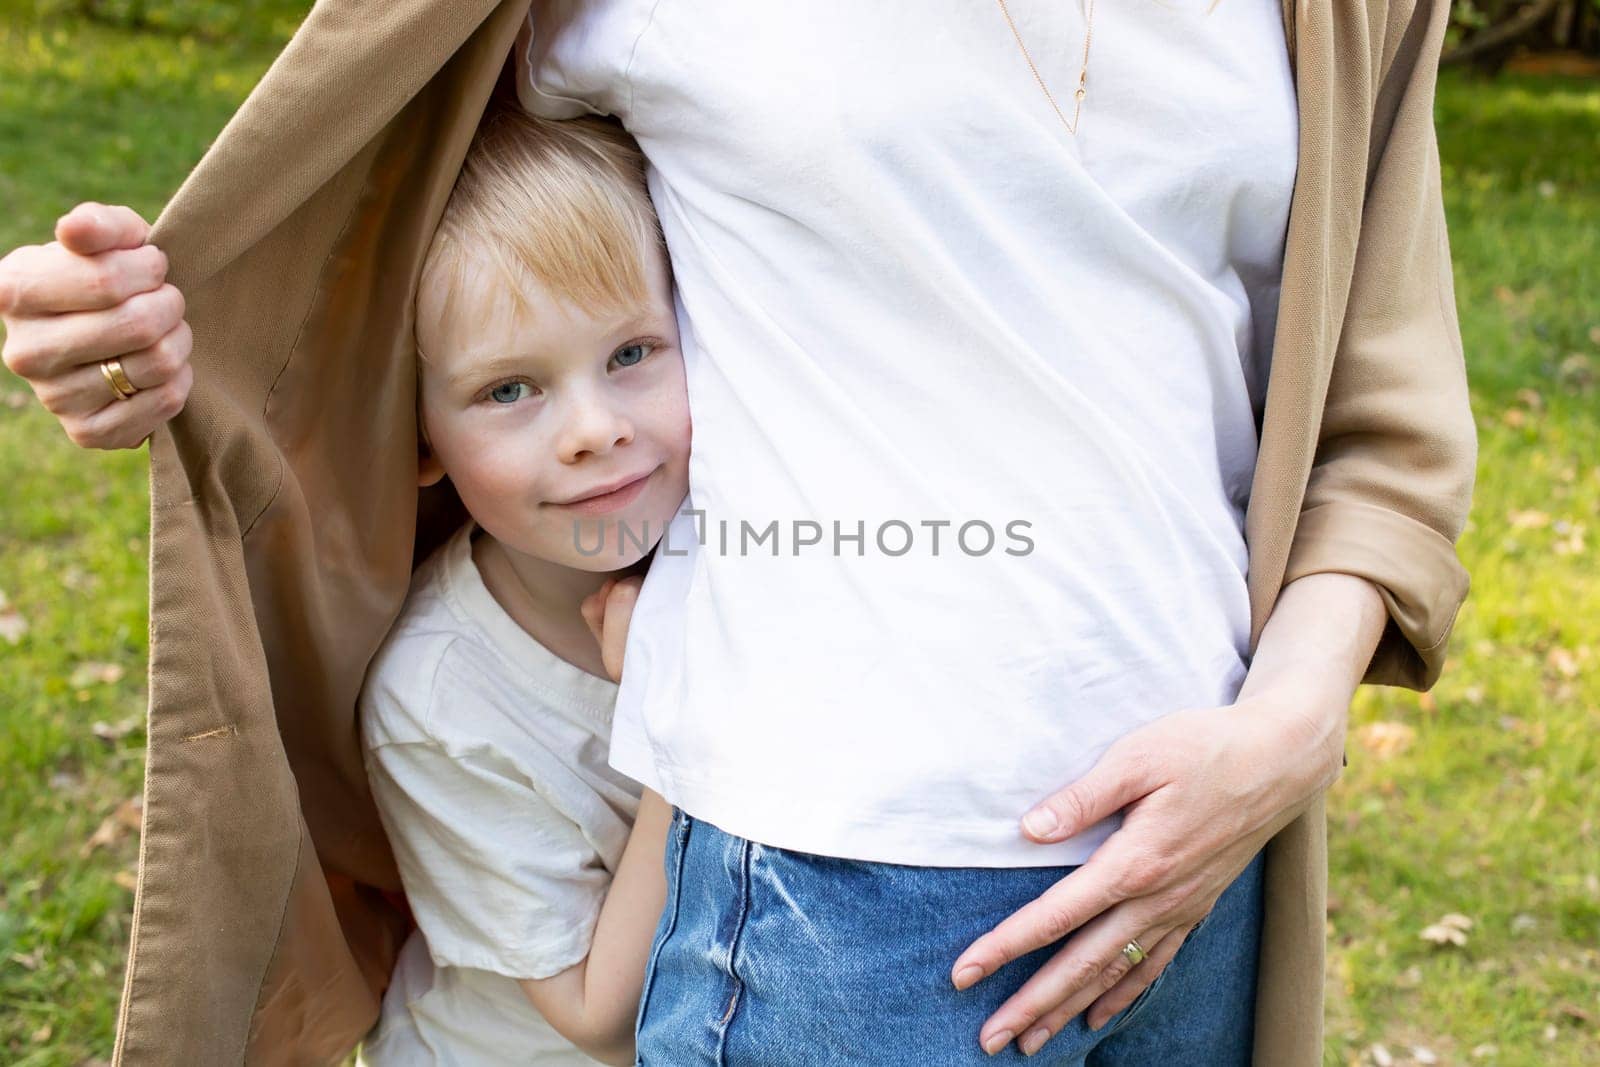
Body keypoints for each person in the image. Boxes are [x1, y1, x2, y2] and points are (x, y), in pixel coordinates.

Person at [0, 0, 1476, 1062]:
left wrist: (1288, 726)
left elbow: (1380, 409)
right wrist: (144, 320)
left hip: (1205, 859)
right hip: (843, 895)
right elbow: (375, 237)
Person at [353, 105, 688, 1065]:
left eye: (632, 354)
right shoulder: (438, 697)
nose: (594, 427)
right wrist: (675, 714)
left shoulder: (731, 537)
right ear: (418, 438)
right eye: (510, 389)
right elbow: (597, 1015)